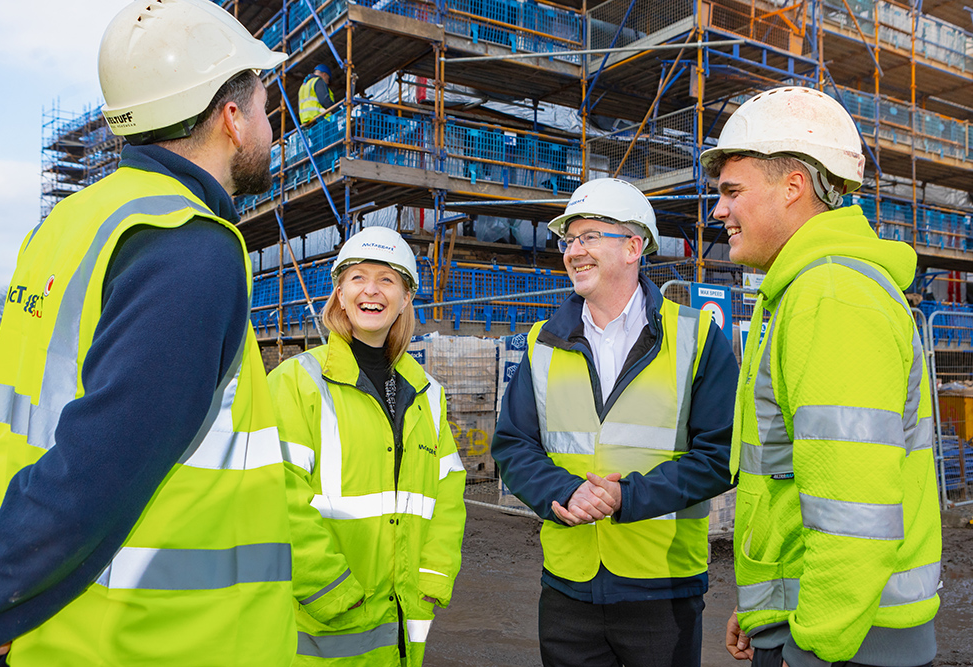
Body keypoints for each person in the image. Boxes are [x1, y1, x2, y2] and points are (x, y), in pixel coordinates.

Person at [0, 1, 360, 665]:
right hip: (156, 638)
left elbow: (12, 425)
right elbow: (99, 463)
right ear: (232, 119)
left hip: (62, 629)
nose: (274, 127)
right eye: (266, 106)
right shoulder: (189, 246)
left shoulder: (68, 225)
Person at [700, 86, 942, 667]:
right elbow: (796, 481)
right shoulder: (807, 288)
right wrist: (768, 611)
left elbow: (853, 507)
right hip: (823, 622)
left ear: (793, 187)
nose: (718, 211)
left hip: (845, 641)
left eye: (733, 191)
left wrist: (814, 639)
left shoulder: (829, 294)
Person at [491, 177, 739, 667]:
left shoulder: (695, 337)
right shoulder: (544, 340)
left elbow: (721, 455)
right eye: (568, 240)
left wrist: (629, 496)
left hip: (661, 589)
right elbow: (513, 446)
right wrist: (561, 491)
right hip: (568, 588)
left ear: (633, 245)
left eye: (588, 237)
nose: (573, 251)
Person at [267, 226, 467, 665]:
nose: (370, 291)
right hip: (322, 621)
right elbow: (275, 494)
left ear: (405, 298)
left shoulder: (427, 392)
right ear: (339, 293)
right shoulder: (297, 382)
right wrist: (330, 588)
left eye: (387, 280)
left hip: (401, 619)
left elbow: (448, 492)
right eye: (357, 278)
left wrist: (432, 575)